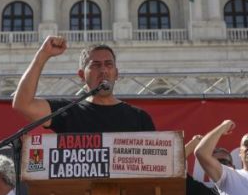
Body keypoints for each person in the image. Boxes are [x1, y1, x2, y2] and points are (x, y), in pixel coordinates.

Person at [12, 36, 155, 133]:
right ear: (81, 75)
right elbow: (23, 104)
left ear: (116, 74)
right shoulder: (67, 112)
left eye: (108, 64)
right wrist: (43, 54)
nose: (103, 70)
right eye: (96, 65)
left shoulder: (139, 118)